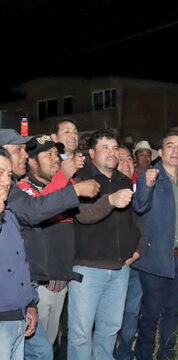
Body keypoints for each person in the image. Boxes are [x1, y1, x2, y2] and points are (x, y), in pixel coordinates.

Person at [0, 129, 99, 360]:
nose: (24, 155)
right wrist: (72, 188)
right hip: (7, 307)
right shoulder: (16, 191)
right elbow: (34, 211)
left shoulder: (11, 191)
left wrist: (28, 302)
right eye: (19, 150)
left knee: (44, 350)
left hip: (26, 294)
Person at [132, 131, 178, 360]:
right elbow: (139, 206)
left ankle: (167, 354)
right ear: (161, 152)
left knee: (172, 311)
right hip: (155, 259)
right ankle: (143, 354)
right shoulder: (149, 176)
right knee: (150, 313)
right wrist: (145, 184)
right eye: (170, 146)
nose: (176, 151)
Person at [67, 130, 141, 360]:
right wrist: (110, 200)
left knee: (109, 331)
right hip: (87, 270)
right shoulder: (82, 178)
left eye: (114, 147)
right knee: (80, 334)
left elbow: (135, 219)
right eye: (105, 147)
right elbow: (83, 214)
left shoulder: (124, 180)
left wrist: (137, 249)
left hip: (120, 269)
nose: (112, 152)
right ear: (91, 152)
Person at [16, 135, 84, 345]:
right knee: (34, 348)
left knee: (49, 345)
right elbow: (38, 209)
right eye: (49, 154)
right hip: (38, 286)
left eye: (57, 154)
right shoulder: (20, 190)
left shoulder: (63, 185)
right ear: (32, 161)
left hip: (60, 280)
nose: (56, 159)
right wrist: (63, 177)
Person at [0, 147, 37, 360]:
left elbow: (19, 265)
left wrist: (29, 304)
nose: (7, 181)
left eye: (9, 175)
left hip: (17, 318)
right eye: (0, 173)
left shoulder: (10, 216)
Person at [113, 144, 143, 360]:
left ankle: (124, 353)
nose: (125, 164)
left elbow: (149, 225)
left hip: (138, 262)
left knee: (132, 312)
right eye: (120, 159)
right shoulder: (108, 189)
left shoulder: (144, 187)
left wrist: (138, 252)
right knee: (112, 316)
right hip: (113, 264)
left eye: (128, 159)